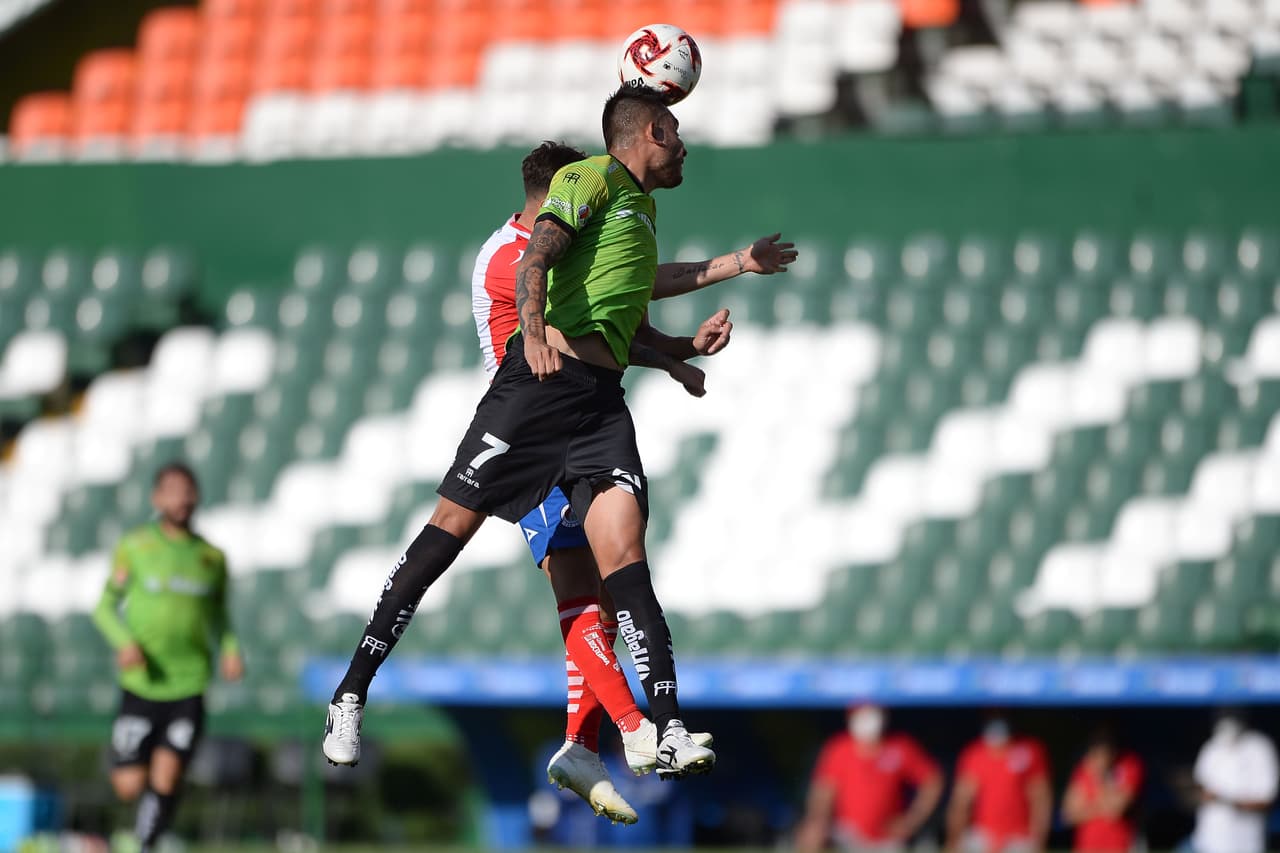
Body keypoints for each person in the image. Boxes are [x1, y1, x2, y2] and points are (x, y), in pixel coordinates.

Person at [323, 87, 738, 783]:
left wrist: (679, 351)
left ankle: (657, 729)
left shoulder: (622, 217)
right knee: (451, 535)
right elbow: (534, 271)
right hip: (528, 405)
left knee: (621, 563)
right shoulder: (519, 244)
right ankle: (351, 691)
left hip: (598, 407)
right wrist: (538, 329)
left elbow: (625, 306)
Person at [471, 140, 796, 823]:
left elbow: (622, 307)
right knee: (577, 594)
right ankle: (631, 726)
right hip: (531, 438)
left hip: (573, 430)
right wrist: (679, 340)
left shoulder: (562, 249)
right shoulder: (513, 259)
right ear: (556, 195)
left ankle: (579, 744)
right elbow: (579, 328)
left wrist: (680, 350)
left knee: (603, 599)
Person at [91, 463, 242, 853]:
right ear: (156, 498)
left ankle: (146, 843)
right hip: (142, 684)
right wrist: (124, 642)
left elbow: (220, 614)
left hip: (188, 683)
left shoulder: (211, 558)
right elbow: (104, 607)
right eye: (173, 490)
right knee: (128, 785)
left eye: (188, 490)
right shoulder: (135, 547)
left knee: (168, 775)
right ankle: (138, 828)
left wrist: (229, 649)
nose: (182, 498)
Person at [796, 703, 943, 852]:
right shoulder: (839, 748)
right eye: (861, 715)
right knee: (813, 835)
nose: (867, 722)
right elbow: (823, 792)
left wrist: (911, 821)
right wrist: (817, 822)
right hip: (846, 834)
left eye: (872, 714)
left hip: (888, 839)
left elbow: (932, 781)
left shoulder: (900, 747)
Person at [946, 713, 1051, 853]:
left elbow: (1040, 799)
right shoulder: (975, 753)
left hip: (1019, 836)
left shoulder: (1028, 750)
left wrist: (1039, 840)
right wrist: (953, 840)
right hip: (983, 835)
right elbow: (961, 802)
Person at [1191, 709, 1278, 853]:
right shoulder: (1212, 746)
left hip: (1246, 841)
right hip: (1210, 839)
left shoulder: (1260, 747)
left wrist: (1227, 800)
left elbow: (1266, 799)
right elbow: (1199, 786)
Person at [1061, 727, 1143, 852]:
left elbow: (1114, 811)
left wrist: (1098, 777)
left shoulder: (1129, 765)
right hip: (1086, 847)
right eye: (1097, 752)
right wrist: (1102, 807)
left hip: (1117, 846)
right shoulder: (1083, 770)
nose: (1100, 758)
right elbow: (1068, 815)